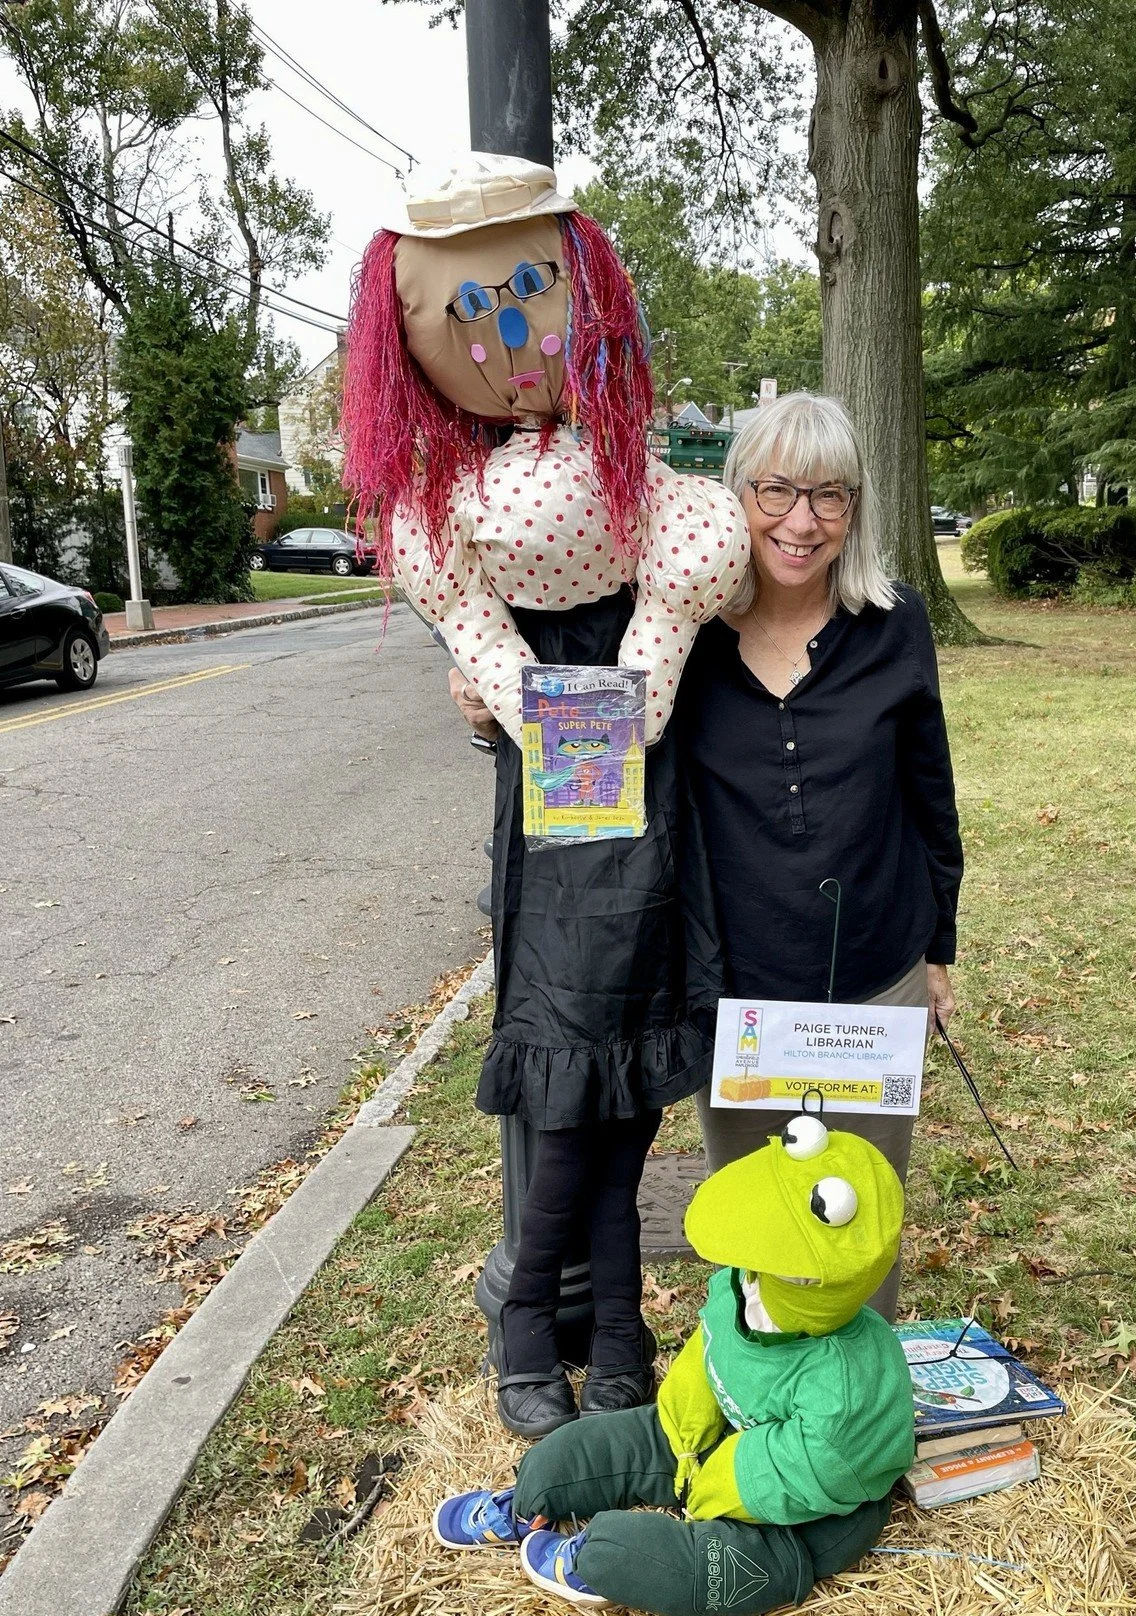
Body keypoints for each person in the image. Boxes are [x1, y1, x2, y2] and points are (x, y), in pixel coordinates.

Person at [346, 153, 744, 1442]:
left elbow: (690, 583)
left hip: (650, 789)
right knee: (567, 1079)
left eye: (529, 293)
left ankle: (619, 1327)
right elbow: (467, 619)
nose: (505, 330)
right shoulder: (446, 505)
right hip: (561, 799)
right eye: (469, 308)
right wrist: (511, 696)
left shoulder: (640, 482)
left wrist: (629, 692)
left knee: (630, 1087)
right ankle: (529, 1325)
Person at [676, 391, 964, 1320]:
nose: (801, 521)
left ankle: (854, 1419)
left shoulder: (894, 623)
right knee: (762, 1217)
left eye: (829, 496)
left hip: (874, 982)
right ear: (736, 494)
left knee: (860, 1217)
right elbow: (591, 735)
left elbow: (930, 793)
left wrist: (939, 949)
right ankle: (764, 1397)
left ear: (855, 509)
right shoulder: (679, 632)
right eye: (777, 490)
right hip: (739, 995)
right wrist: (492, 719)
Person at [432, 1114, 915, 1616]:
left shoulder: (846, 1385)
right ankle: (530, 1499)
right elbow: (707, 1358)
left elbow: (785, 1473)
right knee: (566, 1456)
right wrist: (682, 1442)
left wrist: (699, 1487)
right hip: (718, 1434)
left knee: (692, 1566)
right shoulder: (739, 1285)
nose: (748, 1278)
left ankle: (595, 1561)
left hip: (803, 1519)